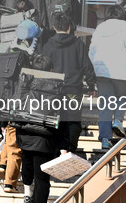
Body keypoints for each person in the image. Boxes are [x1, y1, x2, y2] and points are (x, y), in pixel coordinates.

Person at [42, 12, 96, 154]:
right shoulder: (78, 44)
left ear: (54, 27)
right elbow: (87, 66)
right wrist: (91, 86)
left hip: (53, 90)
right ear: (69, 28)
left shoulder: (47, 46)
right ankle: (69, 149)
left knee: (54, 118)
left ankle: (56, 149)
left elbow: (42, 67)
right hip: (74, 89)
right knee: (73, 121)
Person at [89, 5, 126, 149]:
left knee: (105, 105)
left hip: (102, 71)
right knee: (122, 97)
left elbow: (92, 51)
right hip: (122, 71)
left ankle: (105, 139)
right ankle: (118, 120)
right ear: (123, 15)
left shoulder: (100, 28)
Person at [17, 54, 60, 203]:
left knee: (28, 170)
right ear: (51, 69)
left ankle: (28, 195)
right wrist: (64, 145)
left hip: (25, 135)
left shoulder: (25, 84)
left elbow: (17, 106)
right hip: (44, 138)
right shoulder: (58, 88)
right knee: (42, 179)